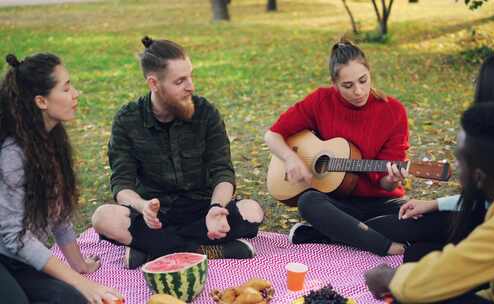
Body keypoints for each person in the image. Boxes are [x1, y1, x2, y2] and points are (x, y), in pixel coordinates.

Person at [91, 36, 264, 269]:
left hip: (202, 212)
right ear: (154, 83)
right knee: (103, 218)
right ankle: (205, 250)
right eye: (180, 81)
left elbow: (222, 172)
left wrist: (216, 209)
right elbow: (121, 183)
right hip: (154, 217)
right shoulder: (128, 119)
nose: (191, 86)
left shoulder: (206, 113)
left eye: (190, 76)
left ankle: (152, 251)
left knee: (252, 212)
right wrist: (142, 207)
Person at [366, 53, 494, 262]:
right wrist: (435, 204)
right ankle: (329, 233)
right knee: (404, 226)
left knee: (415, 254)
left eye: (479, 83)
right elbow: (485, 200)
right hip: (486, 216)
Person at [365, 102, 494, 304]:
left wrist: (389, 278)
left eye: (460, 159)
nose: (456, 166)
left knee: (410, 296)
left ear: (479, 175)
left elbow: (449, 272)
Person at [264, 39, 409, 256]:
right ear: (334, 83)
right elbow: (272, 135)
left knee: (413, 218)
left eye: (363, 80)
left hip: (380, 202)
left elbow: (387, 186)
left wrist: (392, 178)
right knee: (308, 201)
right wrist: (290, 158)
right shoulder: (321, 101)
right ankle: (384, 246)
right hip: (337, 203)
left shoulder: (393, 111)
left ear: (370, 73)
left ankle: (330, 233)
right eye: (348, 86)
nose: (358, 91)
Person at [0, 53, 122, 304]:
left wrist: (80, 266)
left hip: (20, 258)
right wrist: (80, 282)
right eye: (66, 88)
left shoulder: (51, 139)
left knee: (72, 300)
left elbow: (59, 209)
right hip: (6, 253)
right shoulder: (12, 154)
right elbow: (14, 237)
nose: (75, 93)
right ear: (42, 101)